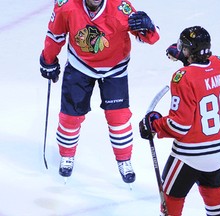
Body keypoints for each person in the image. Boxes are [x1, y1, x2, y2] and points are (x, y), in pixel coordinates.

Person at [39, 0, 160, 184]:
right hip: (80, 66)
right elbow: (56, 34)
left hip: (115, 69)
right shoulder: (67, 6)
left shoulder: (120, 7)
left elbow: (151, 37)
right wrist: (48, 59)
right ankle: (67, 155)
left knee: (118, 118)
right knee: (70, 117)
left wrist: (147, 26)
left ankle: (124, 159)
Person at [139, 26, 220, 215]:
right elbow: (204, 72)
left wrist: (154, 124)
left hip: (191, 155)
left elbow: (179, 125)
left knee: (171, 198)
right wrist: (186, 58)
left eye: (184, 48)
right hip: (219, 151)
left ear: (189, 50)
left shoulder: (183, 79)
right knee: (213, 191)